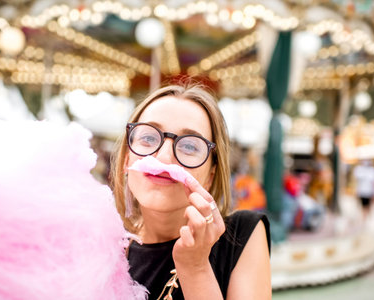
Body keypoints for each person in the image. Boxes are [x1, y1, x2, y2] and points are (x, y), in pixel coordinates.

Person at [110, 81, 271, 299]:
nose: (165, 157)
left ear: (210, 176)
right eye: (148, 138)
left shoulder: (242, 235)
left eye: (189, 146)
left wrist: (195, 268)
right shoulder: (105, 245)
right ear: (126, 159)